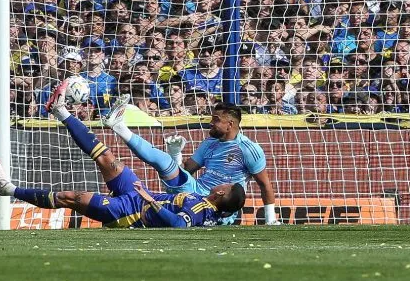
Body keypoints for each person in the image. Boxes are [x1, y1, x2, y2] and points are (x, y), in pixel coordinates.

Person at [0, 78, 246, 228]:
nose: (222, 182)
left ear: (221, 192)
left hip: (128, 212)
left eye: (226, 184)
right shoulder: (204, 201)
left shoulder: (203, 211)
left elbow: (178, 225)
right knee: (107, 158)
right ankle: (60, 110)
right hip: (138, 193)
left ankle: (7, 189)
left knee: (72, 197)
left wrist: (152, 201)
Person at [103, 96, 279, 224]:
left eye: (216, 120)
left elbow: (265, 184)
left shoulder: (249, 149)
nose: (211, 123)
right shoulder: (210, 143)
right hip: (193, 191)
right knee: (165, 161)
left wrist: (270, 219)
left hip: (216, 204)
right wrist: (175, 154)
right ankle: (119, 127)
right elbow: (186, 169)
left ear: (230, 124)